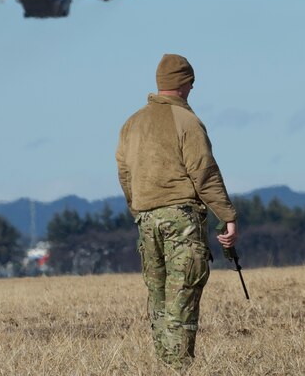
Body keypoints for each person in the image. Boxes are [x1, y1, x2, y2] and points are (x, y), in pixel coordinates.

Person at [116, 53, 238, 370]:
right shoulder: (187, 122)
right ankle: (178, 367)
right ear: (185, 84)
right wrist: (227, 216)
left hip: (145, 218)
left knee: (158, 296)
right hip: (181, 218)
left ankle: (165, 364)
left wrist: (138, 207)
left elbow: (124, 174)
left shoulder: (131, 123)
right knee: (182, 294)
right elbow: (204, 173)